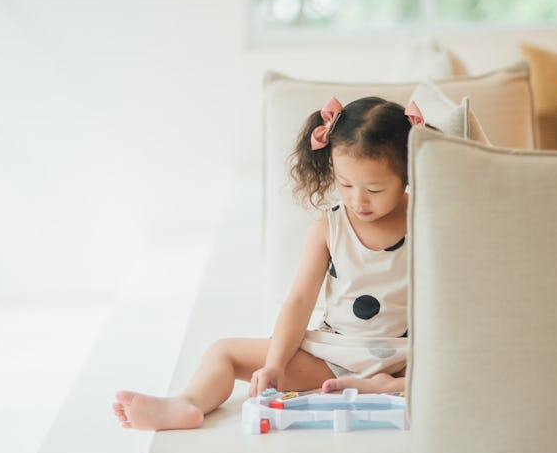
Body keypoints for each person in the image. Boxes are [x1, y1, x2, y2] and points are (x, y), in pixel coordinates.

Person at [113, 95, 424, 430]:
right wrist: (275, 365)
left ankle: (388, 387)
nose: (357, 200)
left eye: (375, 189)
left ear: (408, 173)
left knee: (462, 364)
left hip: (405, 358)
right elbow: (299, 301)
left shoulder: (423, 219)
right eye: (345, 184)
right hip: (335, 357)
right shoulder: (329, 226)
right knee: (224, 352)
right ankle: (187, 403)